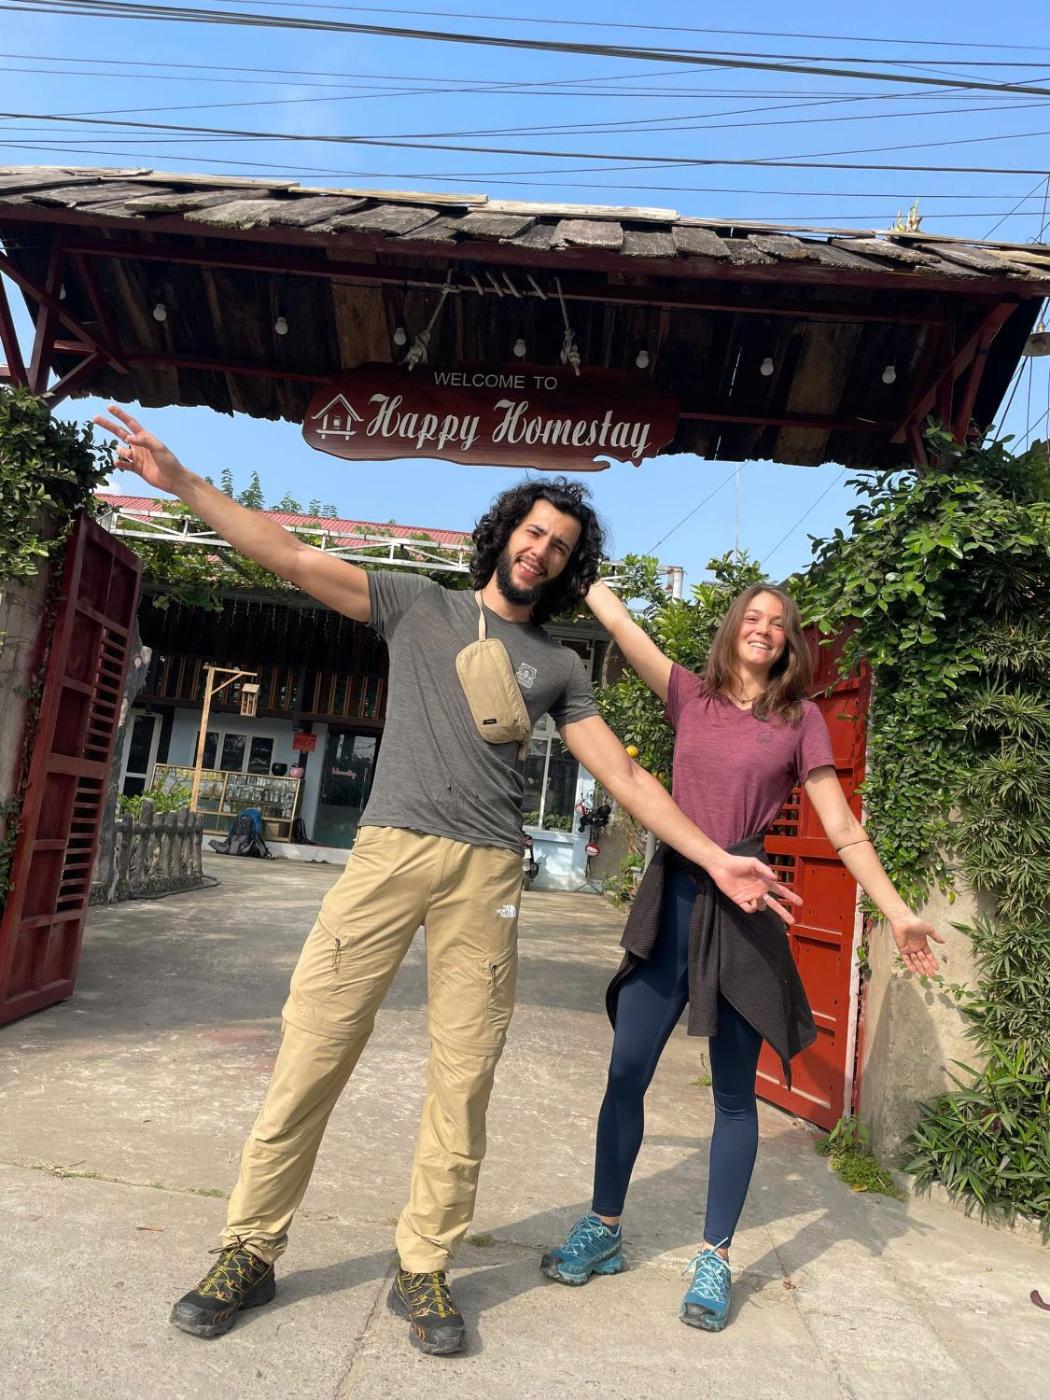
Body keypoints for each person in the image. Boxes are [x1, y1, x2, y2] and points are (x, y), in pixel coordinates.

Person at [94, 405, 801, 1358]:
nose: (542, 551)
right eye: (533, 532)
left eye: (561, 546)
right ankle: (249, 1249)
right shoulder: (417, 604)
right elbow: (292, 558)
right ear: (505, 533)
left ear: (569, 567)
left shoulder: (560, 666)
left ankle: (424, 1263)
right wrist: (182, 483)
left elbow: (627, 777)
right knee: (313, 1050)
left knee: (464, 1077)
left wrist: (714, 856)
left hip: (487, 875)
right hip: (386, 855)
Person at [541, 580, 944, 1331]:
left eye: (778, 623)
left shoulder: (800, 720)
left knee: (734, 1092)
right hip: (673, 898)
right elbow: (626, 629)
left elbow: (842, 828)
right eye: (752, 618)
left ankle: (715, 1256)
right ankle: (604, 1225)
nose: (764, 629)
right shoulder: (688, 695)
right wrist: (580, 570)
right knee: (626, 1070)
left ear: (789, 641)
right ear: (733, 628)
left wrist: (897, 911)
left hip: (747, 907)